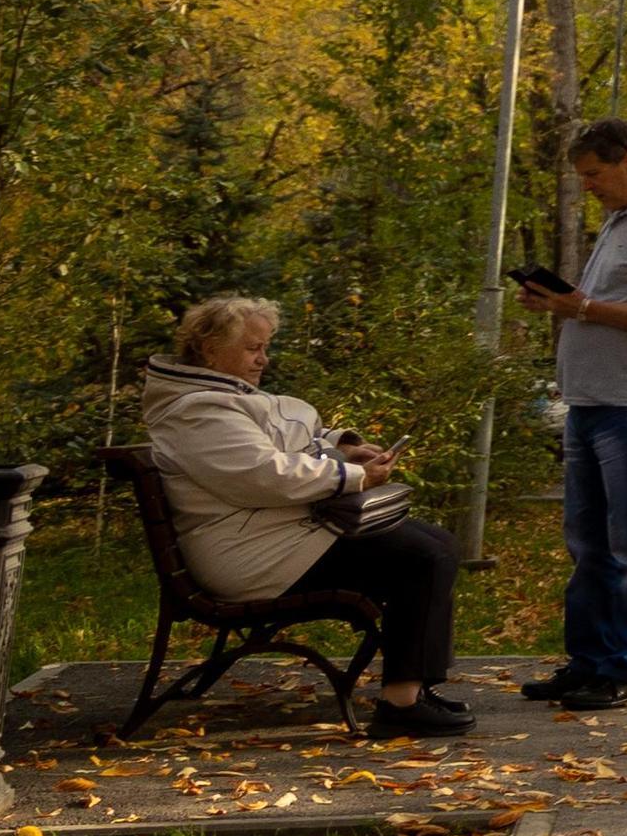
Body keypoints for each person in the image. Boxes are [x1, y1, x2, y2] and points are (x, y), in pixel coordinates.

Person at [140, 297, 473, 737]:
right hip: (252, 555)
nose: (264, 358)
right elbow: (264, 473)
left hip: (278, 536)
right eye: (252, 348)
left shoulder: (220, 395)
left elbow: (289, 436)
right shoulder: (198, 410)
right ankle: (402, 704)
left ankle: (416, 687)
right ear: (208, 349)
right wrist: (354, 477)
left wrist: (344, 446)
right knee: (422, 557)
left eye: (265, 346)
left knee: (438, 544)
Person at [509, 118, 627, 714]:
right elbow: (602, 307)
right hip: (591, 402)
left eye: (594, 174)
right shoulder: (621, 220)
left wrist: (584, 307)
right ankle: (587, 661)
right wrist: (562, 304)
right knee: (587, 543)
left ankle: (622, 668)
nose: (587, 186)